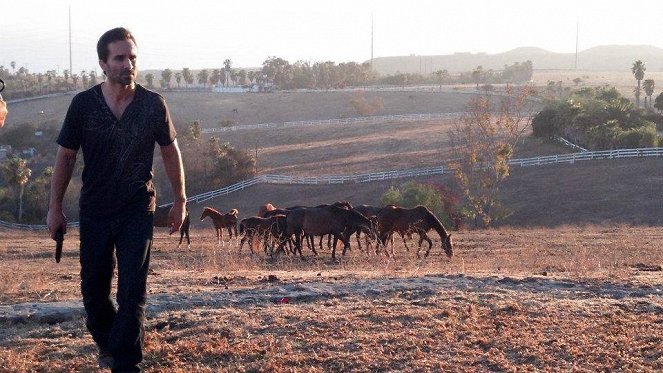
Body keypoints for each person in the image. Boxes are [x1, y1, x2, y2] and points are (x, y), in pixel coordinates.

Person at [47, 27, 186, 372]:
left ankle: (126, 363)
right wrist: (54, 208)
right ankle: (109, 343)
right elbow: (65, 157)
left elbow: (170, 152)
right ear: (103, 64)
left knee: (131, 292)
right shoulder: (83, 105)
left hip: (137, 209)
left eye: (133, 58)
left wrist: (181, 199)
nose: (128, 64)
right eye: (120, 58)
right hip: (94, 210)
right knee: (94, 293)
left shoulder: (154, 105)